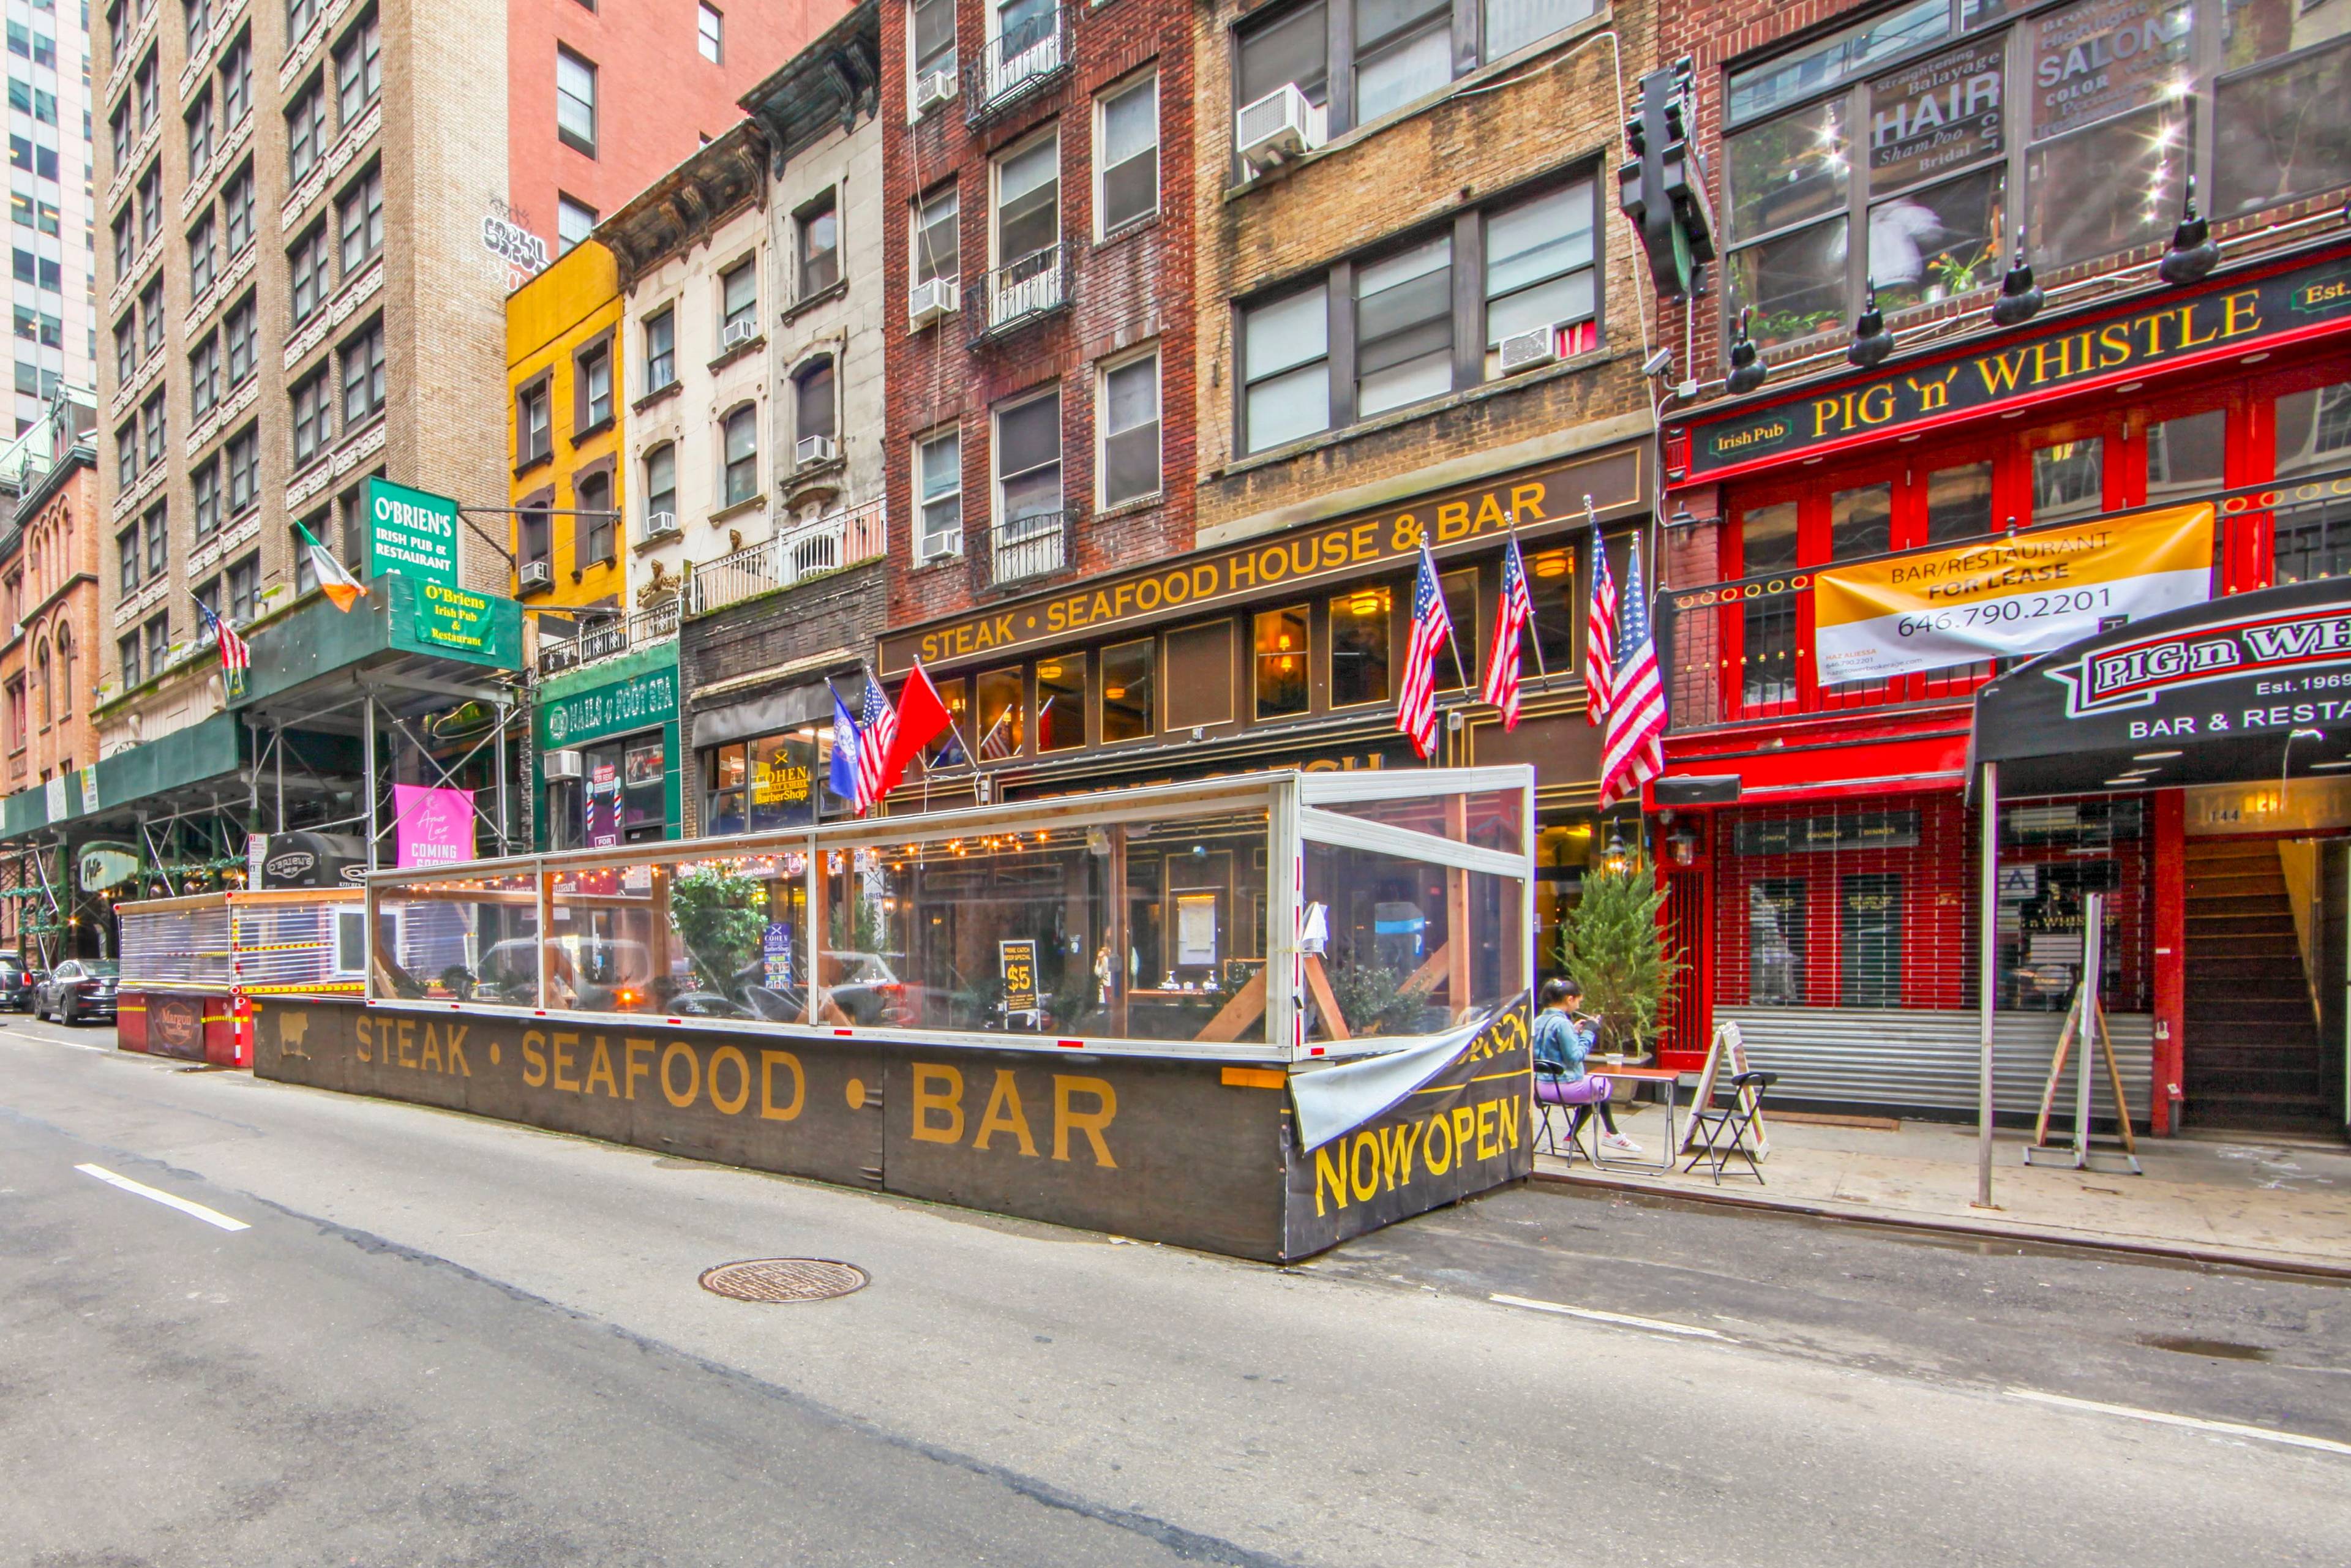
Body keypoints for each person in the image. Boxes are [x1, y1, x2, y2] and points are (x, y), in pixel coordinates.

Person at [1531, 977, 1641, 1155]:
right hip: (1561, 1087)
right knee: (1601, 1086)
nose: (1578, 1007)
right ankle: (1611, 1134)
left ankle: (1573, 1137)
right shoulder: (1562, 1024)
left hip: (1540, 1087)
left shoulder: (1538, 1022)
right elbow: (1575, 1057)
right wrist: (1589, 1033)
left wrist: (1574, 1032)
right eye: (1578, 1002)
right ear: (1569, 999)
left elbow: (1550, 1048)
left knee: (1596, 1087)